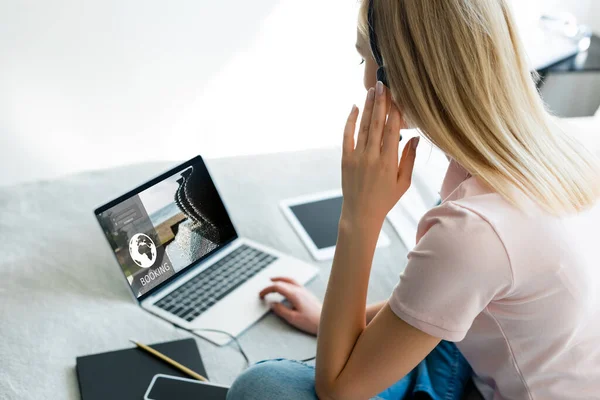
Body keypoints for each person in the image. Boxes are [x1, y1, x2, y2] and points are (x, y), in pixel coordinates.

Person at [227, 0, 600, 399]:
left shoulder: (475, 230)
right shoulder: (565, 146)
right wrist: (328, 320)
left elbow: (338, 389)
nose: (365, 80)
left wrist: (359, 214)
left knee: (264, 388)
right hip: (489, 351)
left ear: (399, 74)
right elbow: (447, 293)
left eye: (364, 60)